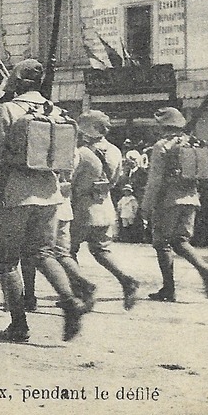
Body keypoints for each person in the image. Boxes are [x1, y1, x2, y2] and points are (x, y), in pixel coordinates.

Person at [0, 59, 90, 344]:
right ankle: (70, 301)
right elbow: (71, 160)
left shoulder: (7, 110)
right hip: (50, 195)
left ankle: (18, 325)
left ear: (16, 82)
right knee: (44, 254)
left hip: (15, 194)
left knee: (6, 260)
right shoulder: (58, 112)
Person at [140, 107, 208, 303]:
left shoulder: (161, 146)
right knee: (181, 240)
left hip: (168, 201)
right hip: (191, 199)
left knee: (161, 243)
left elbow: (155, 180)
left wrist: (146, 206)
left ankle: (169, 288)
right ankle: (204, 270)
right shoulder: (192, 143)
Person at [70, 110, 139, 309]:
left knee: (67, 251)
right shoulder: (116, 151)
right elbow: (116, 180)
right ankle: (127, 280)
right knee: (101, 250)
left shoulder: (80, 153)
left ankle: (80, 291)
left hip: (81, 209)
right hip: (104, 207)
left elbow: (69, 180)